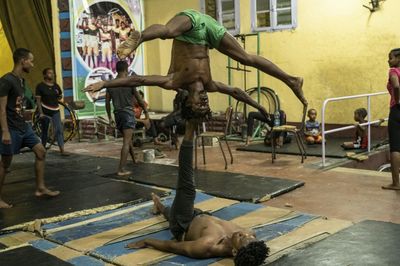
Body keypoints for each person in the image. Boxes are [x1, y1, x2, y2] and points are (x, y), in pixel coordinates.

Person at [126, 119, 269, 266]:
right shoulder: (250, 237)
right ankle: (158, 204)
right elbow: (249, 239)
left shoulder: (205, 246)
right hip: (201, 216)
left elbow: (173, 246)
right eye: (248, 235)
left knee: (187, 187)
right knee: (169, 211)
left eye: (241, 237)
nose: (244, 233)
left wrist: (147, 241)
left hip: (183, 223)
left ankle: (190, 129)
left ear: (234, 252)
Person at [117, 9, 307, 116]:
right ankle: (291, 80)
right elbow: (236, 92)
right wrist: (259, 107)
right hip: (207, 34)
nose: (204, 101)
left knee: (168, 31)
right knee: (246, 58)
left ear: (188, 102)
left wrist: (104, 83)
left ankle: (141, 37)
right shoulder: (208, 85)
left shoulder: (173, 82)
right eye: (205, 105)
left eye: (200, 104)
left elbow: (138, 81)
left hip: (189, 25)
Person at [0, 48, 60, 208]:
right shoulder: (6, 80)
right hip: (11, 129)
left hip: (23, 127)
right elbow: (1, 109)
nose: (32, 65)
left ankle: (40, 188)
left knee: (41, 151)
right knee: (5, 164)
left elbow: (18, 105)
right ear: (22, 61)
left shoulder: (21, 81)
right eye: (30, 61)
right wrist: (5, 132)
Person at [106, 61, 148, 176]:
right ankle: (121, 169)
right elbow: (140, 100)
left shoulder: (111, 83)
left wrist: (110, 117)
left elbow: (107, 103)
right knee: (126, 142)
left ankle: (134, 159)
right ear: (126, 69)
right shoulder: (129, 82)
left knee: (127, 139)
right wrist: (147, 114)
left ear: (116, 69)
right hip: (128, 114)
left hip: (117, 114)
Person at [35, 68, 68, 155]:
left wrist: (56, 99)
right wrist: (41, 113)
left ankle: (62, 150)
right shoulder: (40, 86)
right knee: (45, 131)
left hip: (55, 111)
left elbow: (60, 96)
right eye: (49, 73)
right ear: (45, 75)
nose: (52, 75)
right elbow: (38, 101)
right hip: (45, 111)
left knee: (59, 130)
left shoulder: (56, 86)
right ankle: (42, 149)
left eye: (52, 73)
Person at [382, 48, 400, 190]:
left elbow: (396, 85)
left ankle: (396, 183)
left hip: (397, 111)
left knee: (395, 147)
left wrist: (397, 99)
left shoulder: (393, 71)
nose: (388, 60)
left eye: (391, 58)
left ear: (398, 59)